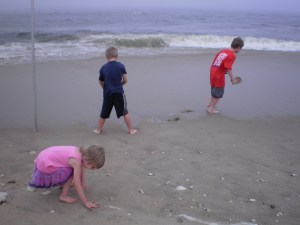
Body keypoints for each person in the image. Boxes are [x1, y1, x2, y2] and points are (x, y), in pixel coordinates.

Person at [28, 145, 105, 209]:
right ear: (87, 159)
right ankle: (63, 196)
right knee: (71, 173)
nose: (94, 170)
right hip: (47, 165)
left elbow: (82, 165)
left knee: (71, 170)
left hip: (44, 158)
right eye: (92, 167)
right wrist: (86, 202)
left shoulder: (80, 153)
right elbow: (77, 185)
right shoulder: (76, 161)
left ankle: (62, 184)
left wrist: (83, 180)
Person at [94, 46, 137, 135]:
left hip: (107, 93)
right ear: (117, 56)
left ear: (106, 56)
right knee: (125, 111)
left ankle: (98, 130)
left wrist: (105, 88)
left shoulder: (103, 67)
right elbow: (125, 80)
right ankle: (131, 130)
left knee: (104, 112)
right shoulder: (121, 66)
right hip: (118, 92)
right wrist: (120, 84)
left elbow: (100, 81)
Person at [207, 36, 244, 114]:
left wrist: (223, 70)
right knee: (218, 93)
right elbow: (229, 68)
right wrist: (232, 79)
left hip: (213, 71)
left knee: (214, 89)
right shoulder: (232, 55)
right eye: (241, 48)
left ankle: (210, 104)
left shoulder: (223, 51)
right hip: (218, 75)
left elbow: (217, 61)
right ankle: (211, 109)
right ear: (238, 47)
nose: (240, 50)